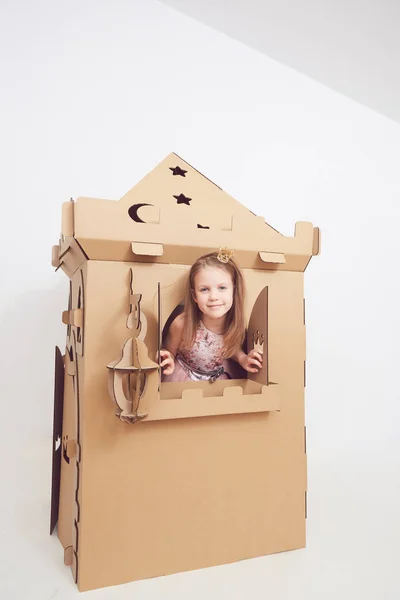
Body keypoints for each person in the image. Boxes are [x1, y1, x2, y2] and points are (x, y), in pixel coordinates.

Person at [160, 249, 262, 382]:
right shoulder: (182, 323)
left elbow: (230, 347)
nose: (213, 297)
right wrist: (168, 360)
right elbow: (168, 352)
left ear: (234, 290)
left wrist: (243, 359)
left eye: (222, 288)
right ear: (194, 296)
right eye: (204, 289)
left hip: (215, 378)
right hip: (184, 376)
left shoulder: (234, 324)